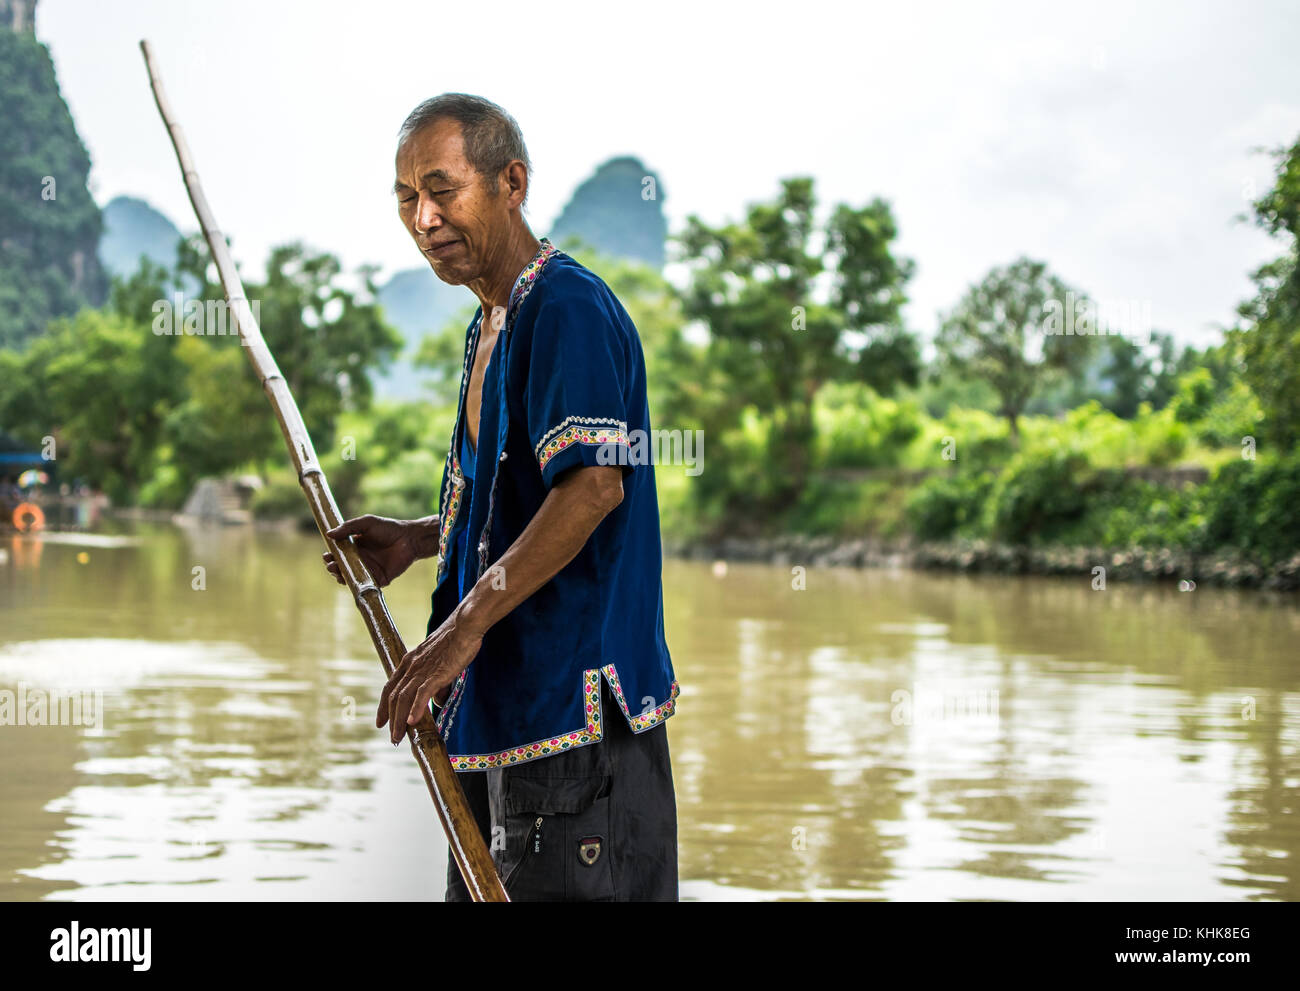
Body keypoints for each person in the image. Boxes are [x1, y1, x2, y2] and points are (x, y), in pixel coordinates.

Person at [322, 94, 680, 902]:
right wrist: (423, 539)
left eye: (443, 190)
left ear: (511, 181)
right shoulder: (493, 319)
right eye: (407, 197)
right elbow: (512, 502)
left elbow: (591, 488)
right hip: (501, 721)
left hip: (574, 737)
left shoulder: (567, 307)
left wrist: (463, 626)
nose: (423, 217)